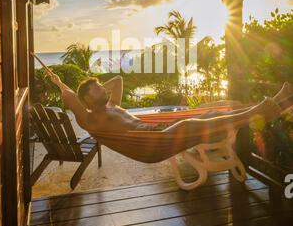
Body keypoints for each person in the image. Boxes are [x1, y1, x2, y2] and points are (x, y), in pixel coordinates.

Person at [48, 72, 293, 142]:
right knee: (197, 120)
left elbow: (118, 81)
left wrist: (99, 87)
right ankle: (266, 108)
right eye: (97, 89)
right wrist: (60, 84)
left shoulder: (111, 105)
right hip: (151, 137)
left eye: (101, 86)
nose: (104, 88)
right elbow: (70, 99)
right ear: (88, 101)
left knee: (214, 110)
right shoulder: (91, 119)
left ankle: (276, 103)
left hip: (158, 128)